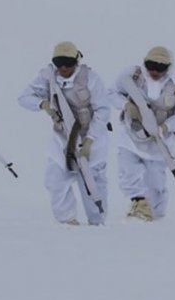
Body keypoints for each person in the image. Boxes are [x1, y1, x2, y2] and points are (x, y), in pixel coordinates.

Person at [18, 41, 110, 226]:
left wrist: (91, 140)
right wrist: (43, 104)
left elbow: (103, 110)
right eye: (59, 62)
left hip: (90, 139)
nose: (64, 68)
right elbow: (24, 97)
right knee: (55, 180)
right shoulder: (48, 77)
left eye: (68, 63)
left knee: (91, 183)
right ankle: (67, 220)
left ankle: (97, 222)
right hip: (62, 139)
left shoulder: (91, 78)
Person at [109, 46, 175, 222]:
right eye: (151, 65)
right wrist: (126, 105)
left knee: (156, 184)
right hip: (130, 138)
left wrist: (166, 127)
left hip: (159, 143)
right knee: (128, 172)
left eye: (160, 67)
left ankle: (155, 217)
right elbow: (112, 93)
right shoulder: (133, 75)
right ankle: (138, 203)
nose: (154, 71)